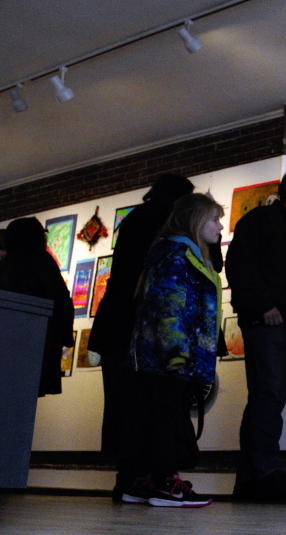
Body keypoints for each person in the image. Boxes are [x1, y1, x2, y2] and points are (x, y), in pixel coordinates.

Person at [87, 174, 195, 502]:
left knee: (125, 406)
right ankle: (159, 478)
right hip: (145, 324)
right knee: (156, 404)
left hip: (116, 324)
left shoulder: (136, 218)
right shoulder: (172, 226)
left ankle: (132, 479)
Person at [118, 193, 223, 507]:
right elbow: (168, 303)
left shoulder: (180, 252)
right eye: (214, 219)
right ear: (194, 220)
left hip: (165, 355)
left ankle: (144, 481)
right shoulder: (177, 252)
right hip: (169, 357)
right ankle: (166, 484)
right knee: (166, 417)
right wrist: (177, 351)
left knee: (156, 416)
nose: (220, 226)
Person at [226, 167, 286, 501]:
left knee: (268, 400)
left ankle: (249, 481)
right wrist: (262, 305)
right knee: (267, 396)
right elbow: (240, 264)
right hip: (266, 322)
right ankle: (267, 472)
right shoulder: (261, 221)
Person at [0, 217, 74, 397]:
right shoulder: (42, 262)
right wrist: (66, 336)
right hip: (38, 341)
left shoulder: (5, 264)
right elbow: (61, 300)